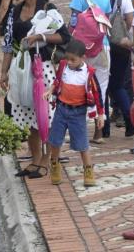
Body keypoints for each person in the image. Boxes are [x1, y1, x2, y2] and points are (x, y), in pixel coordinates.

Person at [1, 0, 69, 179]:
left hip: (42, 68)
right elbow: (9, 44)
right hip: (21, 68)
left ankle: (47, 160)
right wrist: (4, 71)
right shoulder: (15, 10)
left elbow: (64, 36)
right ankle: (35, 158)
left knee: (45, 114)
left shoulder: (47, 9)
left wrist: (41, 36)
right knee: (27, 111)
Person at [46, 38, 105, 187]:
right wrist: (50, 90)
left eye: (73, 60)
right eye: (67, 59)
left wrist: (100, 113)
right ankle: (54, 164)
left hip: (78, 113)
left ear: (83, 58)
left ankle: (88, 170)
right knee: (55, 140)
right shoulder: (64, 66)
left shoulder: (89, 73)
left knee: (82, 144)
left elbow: (97, 94)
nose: (69, 62)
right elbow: (57, 81)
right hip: (61, 109)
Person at [69, 0, 112, 141]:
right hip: (103, 47)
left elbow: (73, 22)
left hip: (81, 49)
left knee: (78, 86)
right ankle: (99, 132)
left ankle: (78, 131)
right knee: (99, 88)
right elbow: (106, 21)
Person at [102, 0, 134, 139]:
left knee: (101, 87)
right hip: (121, 45)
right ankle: (129, 121)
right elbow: (130, 19)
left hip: (101, 46)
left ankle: (104, 127)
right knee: (118, 85)